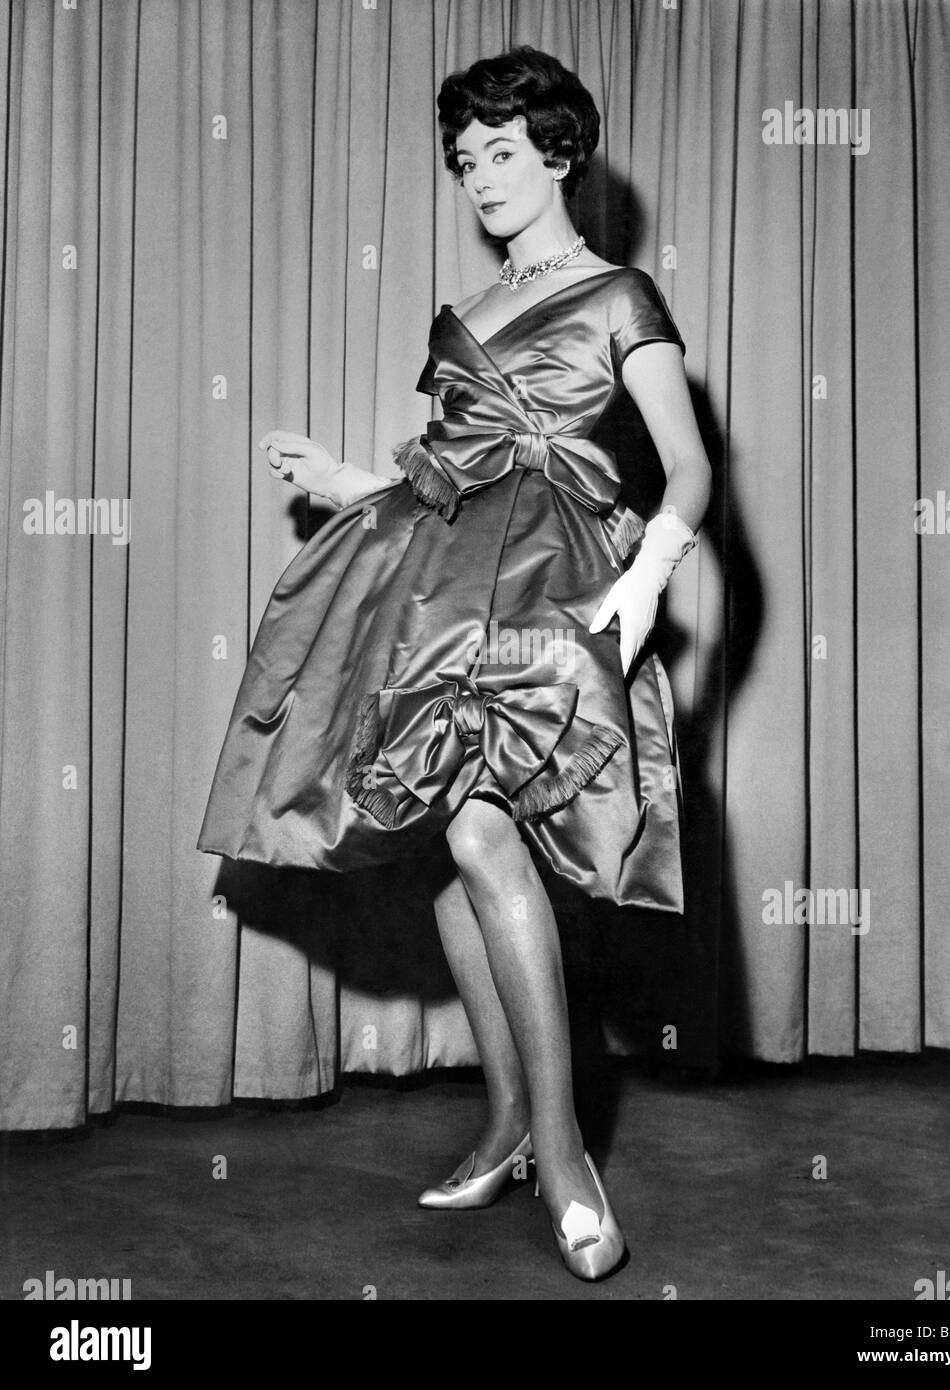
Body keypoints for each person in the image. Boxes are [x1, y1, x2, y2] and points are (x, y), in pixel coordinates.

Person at [198, 45, 712, 1282]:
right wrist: (346, 484)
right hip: (438, 595)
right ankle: (500, 1129)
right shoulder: (468, 315)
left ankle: (564, 1151)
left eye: (501, 150)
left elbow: (688, 468)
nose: (480, 175)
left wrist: (641, 597)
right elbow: (446, 474)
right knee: (450, 855)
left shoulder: (617, 297)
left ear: (558, 152)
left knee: (481, 838)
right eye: (465, 158)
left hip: (560, 589)